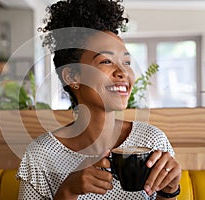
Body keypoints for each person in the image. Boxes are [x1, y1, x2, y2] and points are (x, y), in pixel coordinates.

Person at [17, 0, 181, 199]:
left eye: (127, 62)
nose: (123, 72)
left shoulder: (152, 140)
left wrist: (170, 191)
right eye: (106, 61)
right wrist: (67, 191)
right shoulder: (41, 155)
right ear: (72, 77)